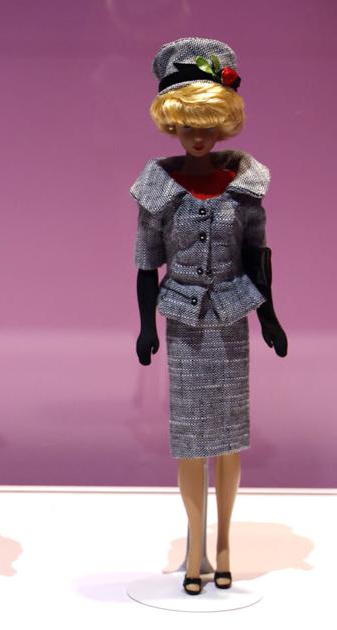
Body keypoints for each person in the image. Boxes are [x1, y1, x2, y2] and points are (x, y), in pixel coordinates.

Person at [132, 37, 287, 596]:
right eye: (188, 125)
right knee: (191, 440)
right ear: (172, 122)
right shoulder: (158, 190)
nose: (198, 136)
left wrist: (270, 318)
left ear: (224, 122)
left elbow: (257, 257)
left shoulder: (245, 189)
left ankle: (223, 546)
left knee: (228, 439)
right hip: (182, 321)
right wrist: (145, 326)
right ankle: (194, 547)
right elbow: (147, 262)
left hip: (232, 318)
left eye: (209, 124)